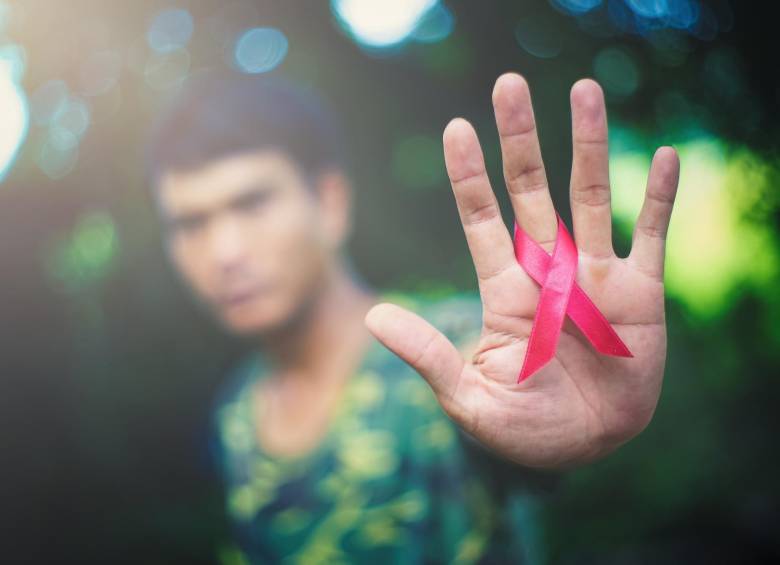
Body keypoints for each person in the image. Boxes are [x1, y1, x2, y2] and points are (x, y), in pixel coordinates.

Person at [145, 69, 680, 563]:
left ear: (329, 203)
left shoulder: (460, 349)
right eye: (191, 224)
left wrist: (570, 410)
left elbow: (515, 410)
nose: (225, 251)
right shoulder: (236, 412)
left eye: (252, 203)